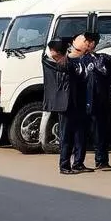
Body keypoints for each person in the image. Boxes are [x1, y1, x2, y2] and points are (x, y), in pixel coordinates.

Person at [73, 32, 111, 172]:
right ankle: (77, 162)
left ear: (94, 43)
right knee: (80, 134)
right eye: (85, 41)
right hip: (82, 102)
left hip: (99, 102)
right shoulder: (76, 59)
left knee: (100, 132)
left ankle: (101, 161)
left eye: (89, 41)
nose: (87, 44)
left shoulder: (102, 59)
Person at [42, 38, 86, 176]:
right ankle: (64, 165)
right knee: (66, 136)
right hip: (63, 105)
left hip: (76, 102)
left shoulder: (71, 62)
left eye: (53, 50)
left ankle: (78, 163)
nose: (51, 52)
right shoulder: (50, 62)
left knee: (80, 134)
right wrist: (74, 55)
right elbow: (65, 66)